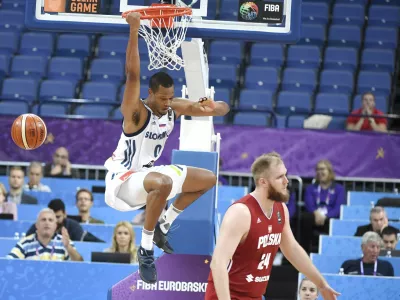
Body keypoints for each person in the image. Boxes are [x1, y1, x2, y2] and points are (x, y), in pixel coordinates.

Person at [104, 12, 230, 284]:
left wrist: (212, 105)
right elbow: (133, 73)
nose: (167, 102)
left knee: (207, 179)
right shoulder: (135, 111)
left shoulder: (173, 107)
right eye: (163, 98)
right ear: (150, 93)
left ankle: (164, 224)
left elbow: (221, 109)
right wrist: (134, 30)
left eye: (170, 98)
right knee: (161, 182)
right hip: (122, 181)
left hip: (149, 175)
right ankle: (146, 249)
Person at [205, 152, 340, 300]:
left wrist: (321, 284)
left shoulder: (281, 209)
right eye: (280, 177)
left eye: (285, 175)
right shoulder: (241, 213)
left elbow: (292, 249)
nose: (286, 181)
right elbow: (218, 263)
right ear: (263, 182)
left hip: (255, 295)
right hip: (228, 295)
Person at [301, 160, 346, 252]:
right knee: (305, 218)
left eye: (322, 169)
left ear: (329, 171)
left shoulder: (339, 188)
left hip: (330, 216)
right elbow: (309, 204)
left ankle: (331, 252)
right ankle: (304, 253)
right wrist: (316, 213)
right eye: (317, 170)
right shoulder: (311, 188)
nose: (319, 172)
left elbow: (339, 207)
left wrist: (326, 216)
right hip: (314, 215)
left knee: (336, 221)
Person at [7, 208, 83, 261]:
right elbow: (9, 262)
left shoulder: (65, 242)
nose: (47, 223)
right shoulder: (25, 243)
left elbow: (79, 264)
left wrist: (68, 247)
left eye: (50, 220)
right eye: (43, 220)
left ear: (55, 226)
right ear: (36, 225)